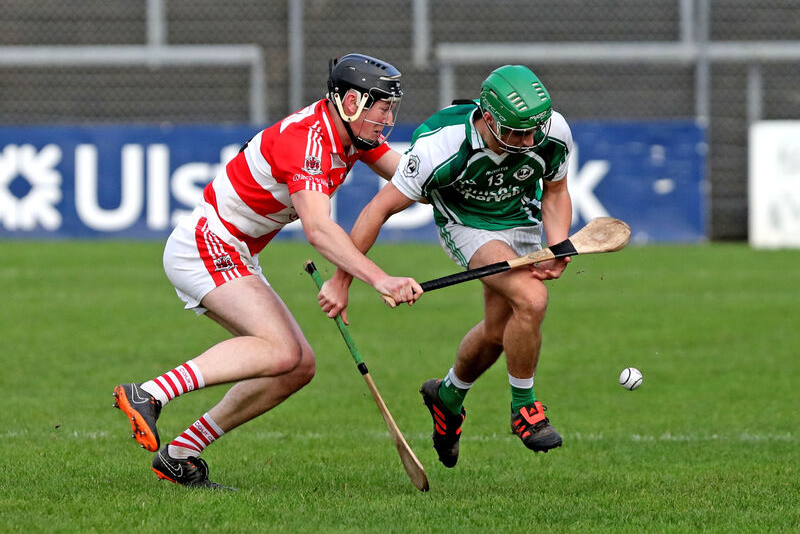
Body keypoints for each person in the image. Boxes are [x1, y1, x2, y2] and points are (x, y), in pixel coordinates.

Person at [113, 53, 422, 489]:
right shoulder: (310, 141)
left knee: (298, 366)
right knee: (280, 350)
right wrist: (380, 278)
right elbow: (318, 229)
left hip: (234, 251)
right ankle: (149, 394)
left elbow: (413, 181)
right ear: (350, 101)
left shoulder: (354, 135)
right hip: (207, 244)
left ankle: (180, 455)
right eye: (383, 106)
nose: (389, 117)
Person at [319, 64, 574, 467]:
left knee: (496, 333)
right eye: (515, 133)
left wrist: (558, 244)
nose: (527, 142)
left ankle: (448, 396)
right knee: (532, 298)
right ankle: (524, 407)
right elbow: (377, 209)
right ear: (488, 117)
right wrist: (341, 280)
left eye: (533, 132)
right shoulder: (441, 146)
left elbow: (556, 190)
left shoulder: (550, 132)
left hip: (520, 221)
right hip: (468, 225)